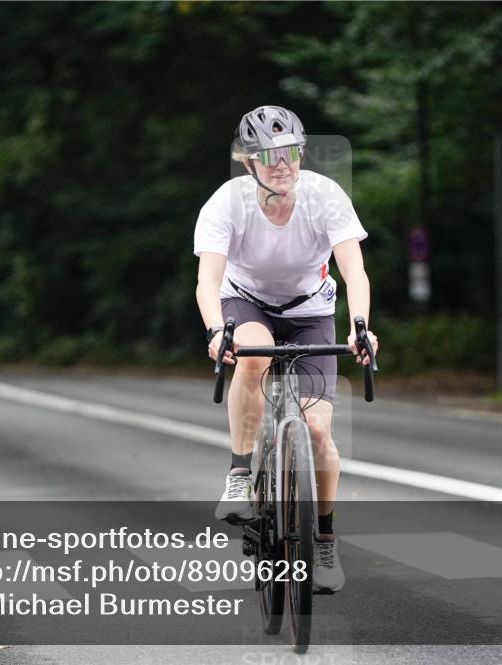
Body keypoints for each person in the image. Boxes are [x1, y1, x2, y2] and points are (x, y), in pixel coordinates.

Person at [194, 105, 378, 593]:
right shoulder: (226, 203)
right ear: (248, 162)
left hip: (311, 310)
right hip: (246, 302)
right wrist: (217, 331)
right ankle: (239, 473)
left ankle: (323, 539)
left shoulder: (324, 196)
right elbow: (207, 281)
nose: (283, 163)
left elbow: (354, 271)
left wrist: (360, 325)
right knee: (251, 356)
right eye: (270, 155)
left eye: (291, 152)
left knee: (318, 431)